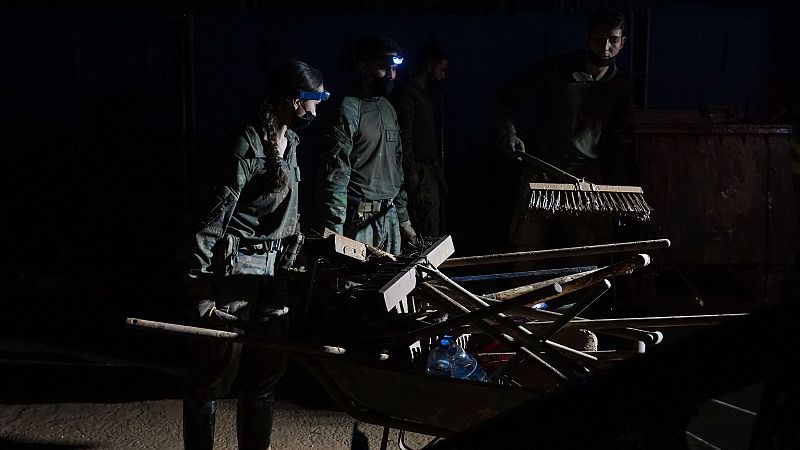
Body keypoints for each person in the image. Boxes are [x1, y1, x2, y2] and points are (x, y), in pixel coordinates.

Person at [179, 59, 328, 450]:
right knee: (213, 374)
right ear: (296, 101)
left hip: (272, 277)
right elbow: (212, 218)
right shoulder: (247, 143)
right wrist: (198, 284)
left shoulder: (292, 144)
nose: (318, 107)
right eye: (316, 99)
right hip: (235, 276)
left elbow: (289, 215)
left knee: (264, 377)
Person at [495, 9, 635, 254]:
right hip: (541, 170)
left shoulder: (619, 87)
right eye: (599, 38)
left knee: (587, 258)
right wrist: (509, 133)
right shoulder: (555, 70)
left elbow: (617, 140)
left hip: (585, 177)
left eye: (612, 40)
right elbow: (507, 97)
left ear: (622, 43)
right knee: (528, 251)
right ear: (587, 37)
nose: (605, 47)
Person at [317, 34, 417, 255]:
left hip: (389, 218)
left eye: (394, 69)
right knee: (355, 286)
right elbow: (336, 173)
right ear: (363, 68)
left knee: (392, 284)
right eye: (383, 68)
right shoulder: (349, 108)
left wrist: (404, 221)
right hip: (359, 220)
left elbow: (397, 168)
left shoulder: (388, 109)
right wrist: (335, 229)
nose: (390, 76)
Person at [391, 42, 449, 238]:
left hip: (429, 171)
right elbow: (404, 137)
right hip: (419, 173)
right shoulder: (408, 95)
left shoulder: (425, 95)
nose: (443, 75)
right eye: (442, 69)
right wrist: (412, 174)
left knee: (434, 227)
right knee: (427, 229)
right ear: (430, 66)